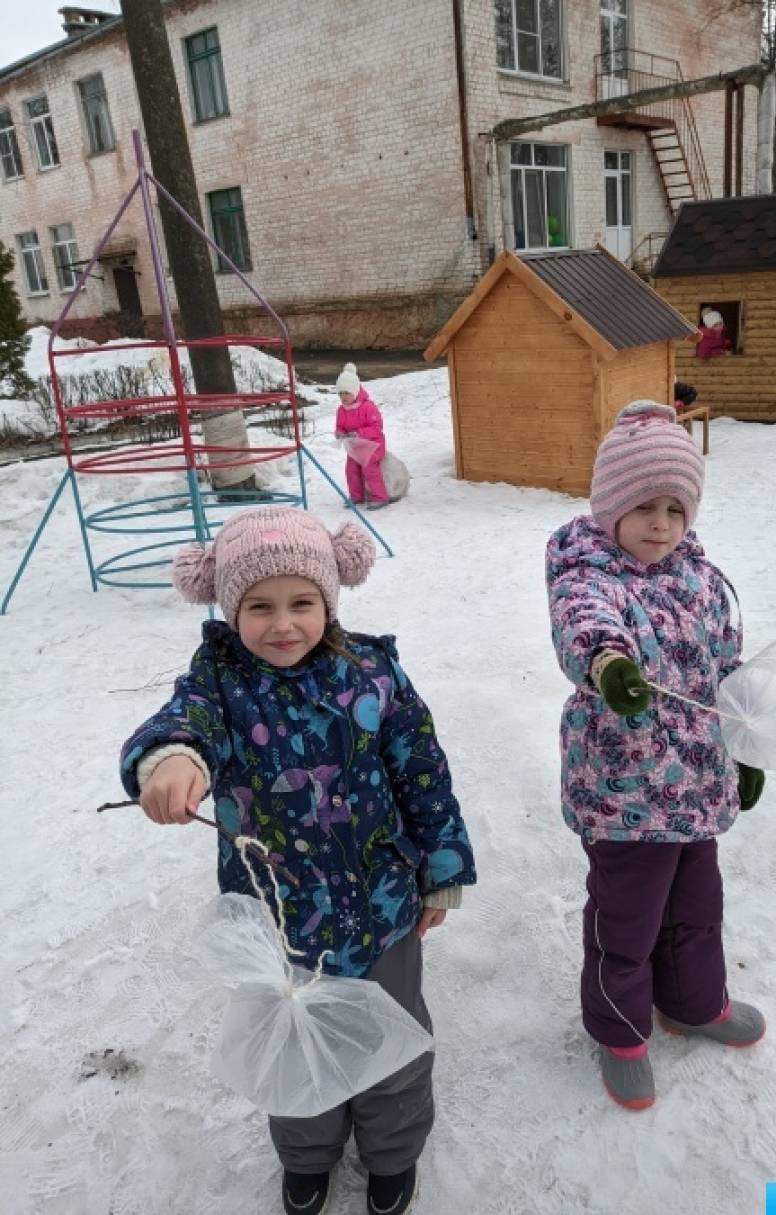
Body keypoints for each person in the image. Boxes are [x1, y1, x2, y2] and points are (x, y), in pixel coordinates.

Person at [119, 505, 476, 1215]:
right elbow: (182, 721)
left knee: (391, 1040)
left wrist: (442, 864)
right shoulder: (220, 680)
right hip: (279, 923)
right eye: (259, 606)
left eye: (301, 602)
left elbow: (423, 772)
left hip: (382, 908)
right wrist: (171, 758)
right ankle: (308, 1155)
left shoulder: (375, 672)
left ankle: (393, 1150)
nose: (283, 623)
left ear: (330, 600)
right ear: (229, 606)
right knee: (294, 1043)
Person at [545, 401, 765, 1112]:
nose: (662, 523)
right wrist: (608, 664)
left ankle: (695, 1002)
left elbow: (728, 666)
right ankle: (621, 1031)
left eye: (676, 507)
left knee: (697, 906)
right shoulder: (588, 572)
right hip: (625, 790)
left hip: (697, 783)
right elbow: (587, 624)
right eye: (644, 504)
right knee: (627, 918)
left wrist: (746, 743)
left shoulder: (701, 579)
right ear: (611, 505)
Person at [335, 362, 389, 509]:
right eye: (340, 393)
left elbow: (377, 428)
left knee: (368, 467)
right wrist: (340, 433)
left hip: (373, 444)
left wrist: (359, 433)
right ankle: (357, 496)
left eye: (346, 393)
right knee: (351, 469)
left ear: (355, 391)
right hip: (355, 445)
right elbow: (340, 426)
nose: (343, 397)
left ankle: (380, 496)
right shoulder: (341, 410)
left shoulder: (367, 407)